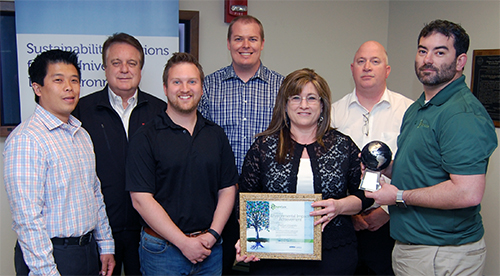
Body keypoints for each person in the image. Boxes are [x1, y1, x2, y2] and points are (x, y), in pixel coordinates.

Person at [366, 19, 497, 276]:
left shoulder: (462, 114)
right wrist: (385, 168)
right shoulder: (419, 108)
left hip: (443, 253)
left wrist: (399, 196)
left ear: (460, 62)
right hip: (414, 248)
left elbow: (467, 193)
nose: (428, 59)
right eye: (423, 50)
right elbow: (422, 169)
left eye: (440, 52)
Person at [236, 68, 373, 275]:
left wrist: (339, 206)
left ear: (322, 105)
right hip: (274, 257)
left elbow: (366, 195)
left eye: (311, 98)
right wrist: (248, 239)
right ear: (285, 104)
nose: (303, 105)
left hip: (333, 253)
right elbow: (245, 199)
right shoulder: (263, 147)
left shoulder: (343, 146)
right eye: (296, 98)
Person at [4, 49, 115, 276]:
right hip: (51, 256)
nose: (69, 87)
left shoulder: (81, 134)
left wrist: (105, 244)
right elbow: (27, 219)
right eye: (58, 80)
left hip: (87, 251)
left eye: (74, 80)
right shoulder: (27, 139)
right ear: (37, 88)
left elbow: (94, 192)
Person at [125, 52, 238, 276]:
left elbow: (227, 189)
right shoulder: (145, 136)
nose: (185, 88)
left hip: (210, 249)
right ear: (165, 88)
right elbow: (140, 199)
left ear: (202, 88)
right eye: (177, 82)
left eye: (192, 81)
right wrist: (184, 243)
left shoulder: (215, 135)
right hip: (162, 252)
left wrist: (213, 235)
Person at [72, 32, 167, 275]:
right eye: (116, 63)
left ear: (141, 69)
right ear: (104, 68)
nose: (124, 69)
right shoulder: (81, 111)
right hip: (100, 231)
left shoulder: (160, 111)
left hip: (149, 230)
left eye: (132, 63)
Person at [198, 15, 284, 274]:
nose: (245, 45)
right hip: (218, 199)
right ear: (228, 43)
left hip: (266, 199)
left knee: (266, 270)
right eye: (238, 38)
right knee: (217, 267)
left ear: (262, 43)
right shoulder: (208, 87)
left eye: (252, 38)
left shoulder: (282, 87)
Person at [331, 40, 413, 275]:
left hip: (391, 223)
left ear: (387, 70)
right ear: (352, 69)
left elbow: (415, 171)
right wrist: (352, 214)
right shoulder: (333, 114)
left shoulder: (408, 112)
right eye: (361, 61)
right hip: (345, 223)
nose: (367, 67)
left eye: (375, 61)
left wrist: (388, 212)